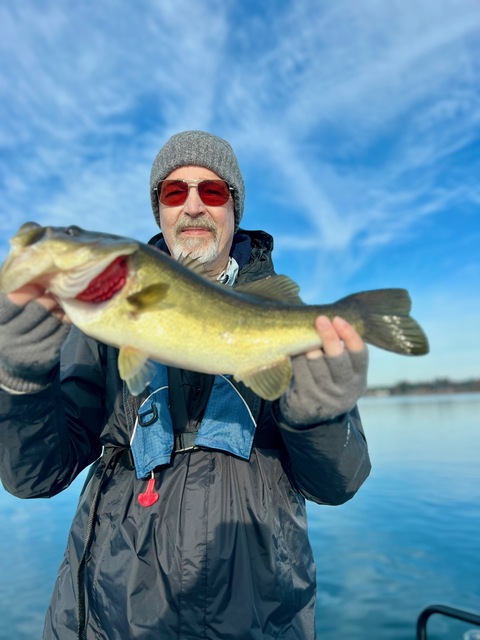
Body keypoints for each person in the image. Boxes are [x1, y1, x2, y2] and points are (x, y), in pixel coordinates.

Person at [0, 130, 371, 639]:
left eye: (212, 192)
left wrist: (321, 417)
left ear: (234, 209)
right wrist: (21, 380)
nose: (193, 205)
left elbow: (340, 484)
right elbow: (33, 477)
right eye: (174, 193)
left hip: (256, 621)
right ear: (160, 212)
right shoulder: (97, 331)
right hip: (109, 621)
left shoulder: (279, 318)